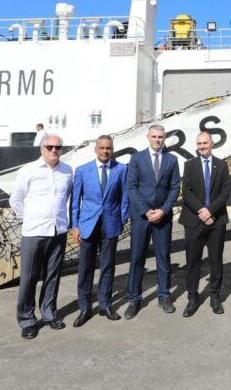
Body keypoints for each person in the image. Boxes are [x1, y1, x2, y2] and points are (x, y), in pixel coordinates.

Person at [9, 134, 73, 339]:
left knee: (53, 275)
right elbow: (16, 200)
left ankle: (49, 313)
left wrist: (66, 220)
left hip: (58, 230)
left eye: (58, 147)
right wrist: (31, 218)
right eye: (50, 146)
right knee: (29, 277)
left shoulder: (67, 171)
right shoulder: (28, 171)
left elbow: (68, 198)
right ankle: (27, 319)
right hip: (35, 232)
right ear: (41, 149)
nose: (54, 150)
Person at [70, 135, 129, 327]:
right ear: (96, 149)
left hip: (110, 225)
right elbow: (75, 202)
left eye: (108, 148)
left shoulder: (121, 169)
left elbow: (124, 198)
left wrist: (121, 221)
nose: (105, 151)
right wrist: (76, 226)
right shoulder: (82, 171)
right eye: (102, 148)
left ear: (112, 149)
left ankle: (105, 305)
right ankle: (85, 307)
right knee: (85, 268)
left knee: (107, 267)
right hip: (88, 226)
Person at [125, 124, 181, 318]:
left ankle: (164, 296)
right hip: (141, 217)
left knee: (163, 256)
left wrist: (163, 210)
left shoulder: (171, 160)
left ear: (164, 138)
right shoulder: (136, 159)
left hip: (163, 217)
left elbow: (175, 188)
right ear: (148, 137)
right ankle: (134, 299)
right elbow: (131, 187)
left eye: (161, 137)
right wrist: (147, 211)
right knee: (137, 257)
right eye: (154, 136)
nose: (157, 140)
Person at [179, 131, 231, 317]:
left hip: (216, 220)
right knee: (193, 261)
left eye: (205, 143)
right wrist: (202, 211)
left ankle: (215, 296)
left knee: (216, 259)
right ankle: (192, 297)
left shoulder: (222, 165)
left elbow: (226, 190)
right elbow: (187, 192)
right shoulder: (189, 165)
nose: (202, 146)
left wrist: (211, 211)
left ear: (212, 144)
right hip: (194, 220)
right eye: (199, 143)